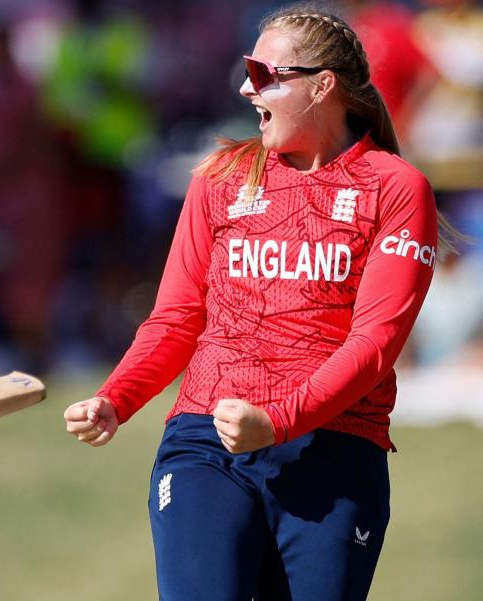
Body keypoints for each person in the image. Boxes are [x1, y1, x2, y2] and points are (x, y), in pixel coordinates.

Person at [64, 6, 457, 600]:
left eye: (263, 72)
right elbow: (175, 318)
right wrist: (116, 398)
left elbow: (375, 345)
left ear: (322, 84)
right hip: (206, 441)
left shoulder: (395, 188)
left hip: (333, 449)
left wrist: (278, 421)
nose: (248, 86)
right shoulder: (222, 176)